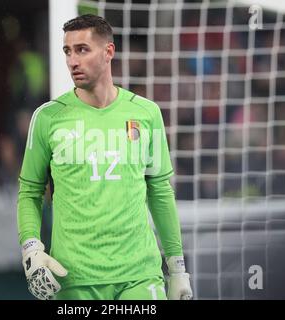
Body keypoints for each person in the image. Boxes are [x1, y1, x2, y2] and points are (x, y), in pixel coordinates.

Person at [17, 14, 193, 300]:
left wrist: (177, 268)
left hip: (139, 274)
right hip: (73, 277)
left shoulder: (146, 114)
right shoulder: (47, 118)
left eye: (82, 50)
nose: (73, 61)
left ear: (108, 52)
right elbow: (29, 191)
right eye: (67, 51)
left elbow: (160, 192)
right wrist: (32, 248)